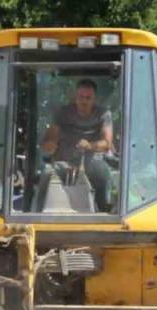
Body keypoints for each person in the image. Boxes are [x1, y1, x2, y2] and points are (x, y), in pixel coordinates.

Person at [39, 78, 115, 212]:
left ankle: (104, 212)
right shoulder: (63, 113)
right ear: (75, 97)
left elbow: (106, 143)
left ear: (94, 99)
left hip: (91, 161)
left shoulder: (103, 114)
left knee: (102, 174)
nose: (84, 101)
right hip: (64, 162)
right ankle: (37, 213)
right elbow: (51, 136)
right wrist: (50, 144)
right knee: (46, 174)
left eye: (88, 98)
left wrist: (89, 146)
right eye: (81, 97)